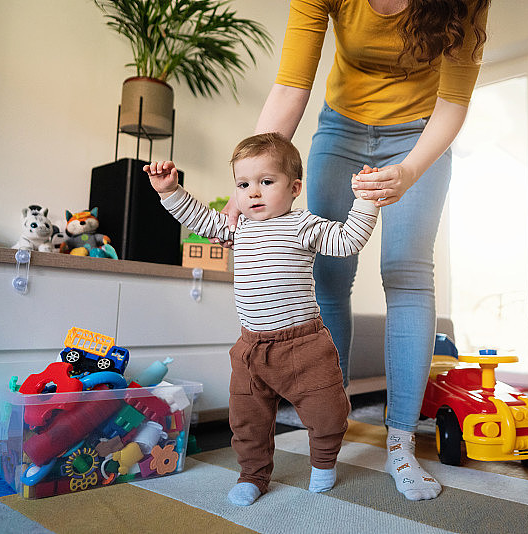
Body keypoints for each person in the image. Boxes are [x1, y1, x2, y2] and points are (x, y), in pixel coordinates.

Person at [218, 0, 490, 501]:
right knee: (329, 272)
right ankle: (326, 427)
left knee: (407, 272)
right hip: (340, 127)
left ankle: (402, 442)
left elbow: (453, 102)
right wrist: (248, 181)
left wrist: (409, 171)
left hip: (420, 133)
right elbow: (290, 84)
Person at [144, 132, 380, 506]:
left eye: (266, 182)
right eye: (244, 184)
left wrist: (365, 201)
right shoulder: (239, 230)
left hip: (304, 344)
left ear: (294, 187)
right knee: (247, 421)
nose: (253, 192)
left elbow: (348, 241)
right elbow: (200, 219)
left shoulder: (304, 224)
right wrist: (170, 190)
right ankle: (253, 475)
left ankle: (322, 463)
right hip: (252, 348)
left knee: (328, 411)